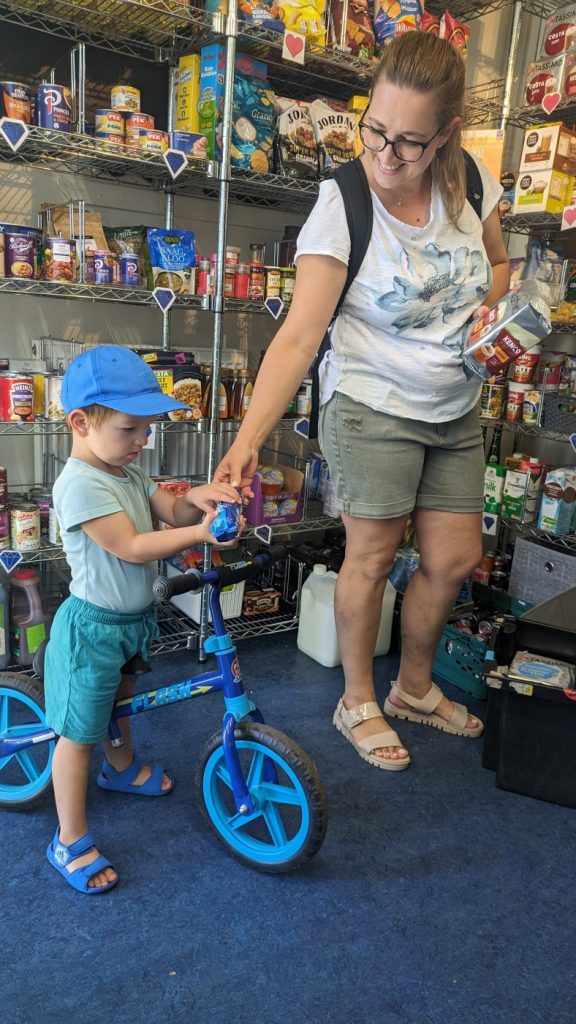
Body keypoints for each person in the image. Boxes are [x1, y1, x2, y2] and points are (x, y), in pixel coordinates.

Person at [215, 32, 510, 772]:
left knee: (454, 559)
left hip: (455, 405)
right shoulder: (342, 203)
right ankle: (357, 699)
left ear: (445, 133)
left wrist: (493, 311)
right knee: (372, 555)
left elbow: (500, 265)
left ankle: (412, 689)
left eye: (410, 142)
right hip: (372, 403)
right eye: (375, 129)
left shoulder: (473, 183)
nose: (386, 154)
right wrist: (248, 440)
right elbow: (297, 338)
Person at [44, 345, 244, 893]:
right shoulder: (81, 484)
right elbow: (132, 545)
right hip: (92, 629)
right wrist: (201, 535)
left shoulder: (126, 471)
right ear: (82, 422)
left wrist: (198, 501)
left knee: (122, 703)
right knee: (79, 733)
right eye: (131, 429)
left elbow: (169, 510)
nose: (143, 442)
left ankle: (122, 766)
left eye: (147, 430)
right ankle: (68, 838)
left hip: (133, 623)